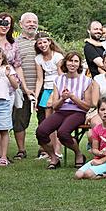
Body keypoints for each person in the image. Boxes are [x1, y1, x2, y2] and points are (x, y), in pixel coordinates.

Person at [35, 51, 93, 170]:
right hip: (61, 111)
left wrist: (73, 97)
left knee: (63, 133)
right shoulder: (58, 80)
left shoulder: (86, 80)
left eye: (76, 61)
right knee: (41, 131)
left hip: (78, 112)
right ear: (65, 63)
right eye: (70, 61)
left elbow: (87, 106)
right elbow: (55, 106)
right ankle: (53, 157)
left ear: (79, 64)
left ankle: (78, 154)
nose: (73, 64)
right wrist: (63, 98)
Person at [75, 97, 106, 180]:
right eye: (102, 109)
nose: (105, 112)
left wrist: (101, 161)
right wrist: (100, 153)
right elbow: (94, 149)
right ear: (98, 112)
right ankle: (103, 171)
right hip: (100, 158)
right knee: (78, 175)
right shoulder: (97, 128)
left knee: (88, 174)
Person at [12, 12, 39, 160]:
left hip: (42, 88)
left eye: (34, 22)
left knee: (44, 119)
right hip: (21, 88)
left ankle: (43, 149)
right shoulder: (15, 42)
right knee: (19, 119)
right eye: (28, 22)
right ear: (21, 24)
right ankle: (21, 150)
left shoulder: (43, 40)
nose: (32, 24)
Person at [34, 32, 65, 160]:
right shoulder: (38, 59)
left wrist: (56, 95)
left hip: (57, 88)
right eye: (40, 43)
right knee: (48, 122)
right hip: (46, 89)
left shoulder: (57, 56)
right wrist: (36, 98)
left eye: (44, 42)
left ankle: (58, 150)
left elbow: (61, 77)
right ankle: (50, 150)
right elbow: (40, 79)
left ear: (50, 42)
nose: (42, 45)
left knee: (57, 119)